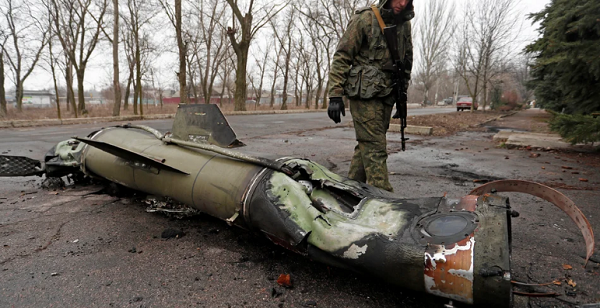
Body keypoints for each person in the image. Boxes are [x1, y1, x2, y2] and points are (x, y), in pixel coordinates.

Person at [326, 0, 414, 192]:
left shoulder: (404, 24)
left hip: (387, 93)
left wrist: (402, 96)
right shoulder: (365, 18)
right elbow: (342, 56)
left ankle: (348, 193)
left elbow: (406, 62)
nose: (402, 3)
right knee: (375, 148)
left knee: (367, 146)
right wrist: (335, 94)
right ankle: (383, 201)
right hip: (364, 93)